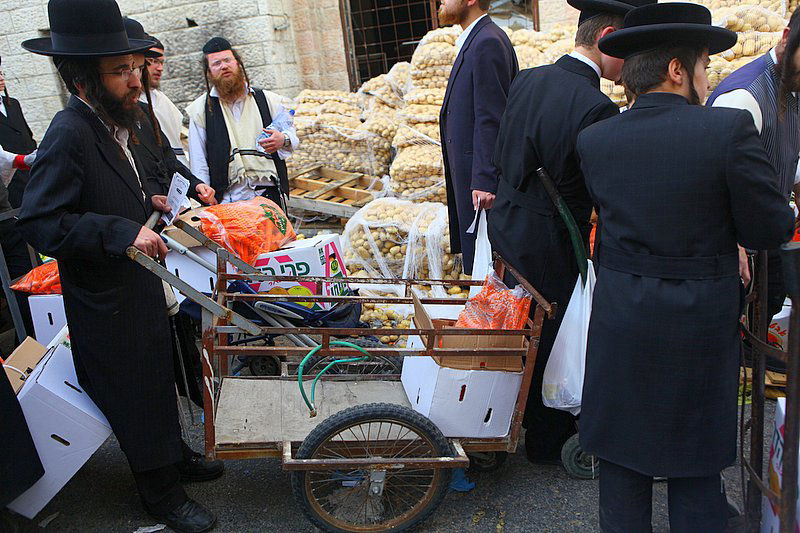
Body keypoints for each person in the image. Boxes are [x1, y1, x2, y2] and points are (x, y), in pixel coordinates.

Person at [576, 3, 794, 530]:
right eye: (702, 65)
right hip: (696, 324)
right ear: (678, 69)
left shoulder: (596, 139)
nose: (706, 78)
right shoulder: (726, 131)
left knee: (623, 460)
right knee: (695, 465)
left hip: (621, 317)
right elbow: (769, 229)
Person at [17, 1, 221, 531]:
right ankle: (160, 494)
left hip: (138, 287)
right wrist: (117, 230)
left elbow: (103, 192)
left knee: (158, 377)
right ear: (82, 77)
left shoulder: (113, 122)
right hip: (106, 300)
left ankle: (173, 456)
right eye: (120, 71)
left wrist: (145, 206)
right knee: (134, 389)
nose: (135, 81)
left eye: (134, 67)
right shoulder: (69, 131)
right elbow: (41, 221)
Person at [489, 0, 652, 464]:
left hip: (508, 225)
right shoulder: (597, 106)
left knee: (514, 327)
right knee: (553, 334)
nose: (633, 65)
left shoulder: (529, 78)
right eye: (629, 49)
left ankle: (503, 422)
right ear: (606, 40)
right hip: (553, 237)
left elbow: (504, 151)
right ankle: (547, 442)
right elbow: (599, 190)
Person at [707, 11, 800, 324]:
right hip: (739, 245)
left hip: (769, 234)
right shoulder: (743, 97)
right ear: (787, 38)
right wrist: (736, 245)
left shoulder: (793, 85)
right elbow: (713, 181)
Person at [438, 0, 518, 274]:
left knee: (489, 266)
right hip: (473, 176)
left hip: (481, 184)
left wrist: (485, 179)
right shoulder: (477, 39)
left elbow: (492, 114)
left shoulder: (487, 41)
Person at [186, 37, 298, 207]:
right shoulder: (200, 110)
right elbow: (199, 162)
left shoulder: (267, 100)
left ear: (237, 63)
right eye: (216, 63)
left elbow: (291, 134)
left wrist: (283, 139)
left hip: (268, 197)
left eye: (227, 60)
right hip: (228, 201)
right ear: (209, 73)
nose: (224, 66)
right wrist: (206, 198)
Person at [122, 17, 216, 207]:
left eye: (138, 70)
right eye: (123, 71)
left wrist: (195, 186)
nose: (136, 81)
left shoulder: (144, 109)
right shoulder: (76, 129)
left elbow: (167, 159)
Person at [142, 32, 190, 167]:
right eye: (153, 61)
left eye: (161, 62)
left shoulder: (162, 100)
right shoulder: (131, 101)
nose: (160, 68)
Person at [0, 58, 37, 208]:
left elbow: (27, 135)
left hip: (30, 171)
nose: (1, 78)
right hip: (11, 176)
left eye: (1, 74)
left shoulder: (13, 103)